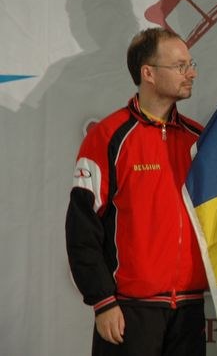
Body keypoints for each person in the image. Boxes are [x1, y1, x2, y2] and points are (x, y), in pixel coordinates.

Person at [65, 28, 207, 355]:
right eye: (180, 66)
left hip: (189, 311)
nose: (192, 73)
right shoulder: (108, 137)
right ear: (148, 73)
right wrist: (103, 301)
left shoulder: (199, 140)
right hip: (129, 311)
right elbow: (81, 228)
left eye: (191, 64)